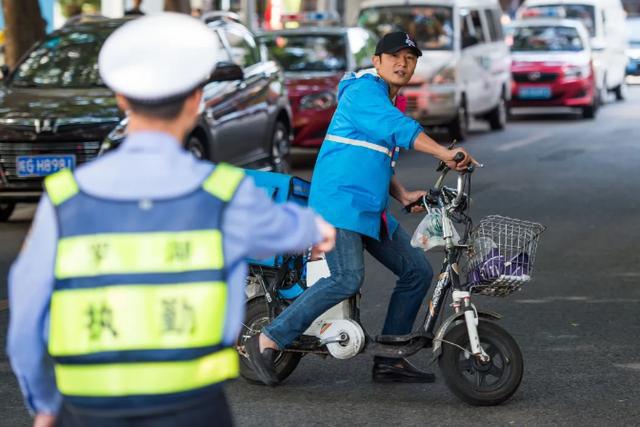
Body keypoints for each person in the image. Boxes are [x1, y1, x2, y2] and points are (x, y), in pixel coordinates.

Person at [6, 13, 335, 427]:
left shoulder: (62, 200)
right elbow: (292, 227)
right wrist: (318, 230)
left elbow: (25, 324)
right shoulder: (224, 193)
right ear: (196, 102)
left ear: (121, 100)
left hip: (88, 407)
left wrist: (44, 405)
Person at [245, 31, 477, 385]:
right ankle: (267, 340)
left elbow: (378, 157)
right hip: (338, 203)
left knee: (417, 271)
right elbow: (397, 129)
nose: (403, 63)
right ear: (376, 60)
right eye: (395, 56)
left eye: (410, 58)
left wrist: (401, 194)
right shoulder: (362, 92)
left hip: (369, 207)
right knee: (346, 277)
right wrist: (445, 152)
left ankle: (390, 359)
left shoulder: (389, 99)